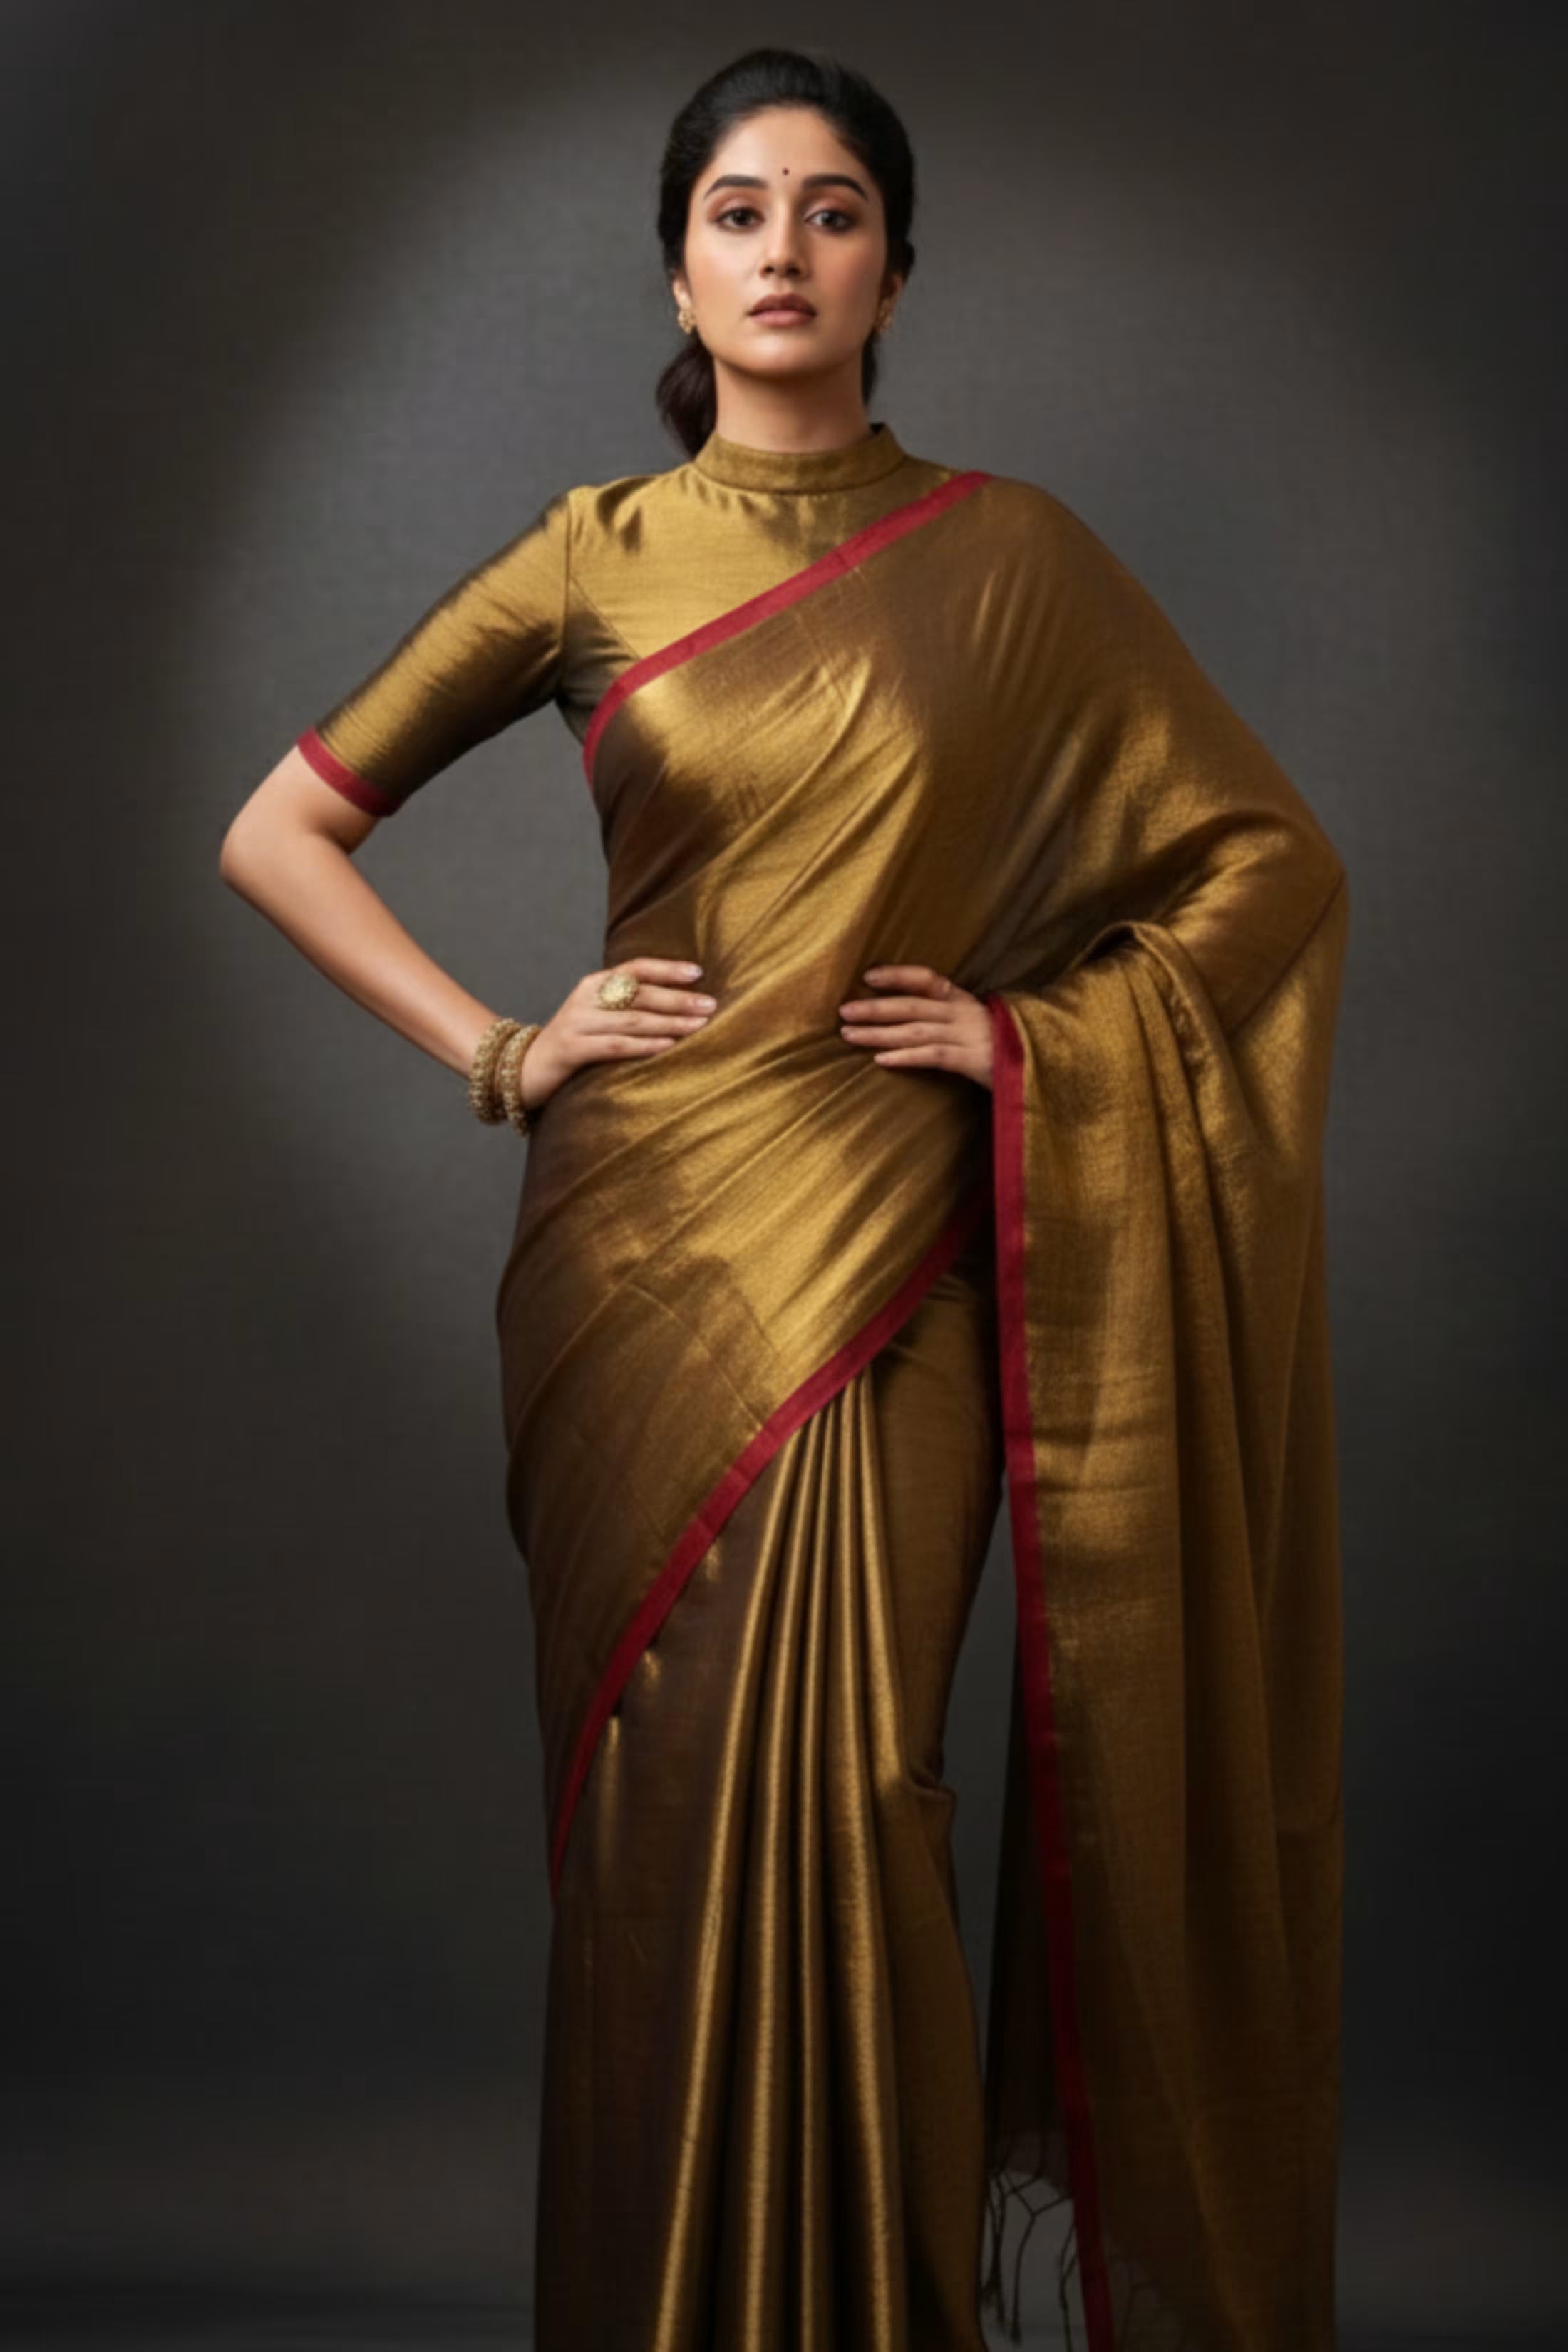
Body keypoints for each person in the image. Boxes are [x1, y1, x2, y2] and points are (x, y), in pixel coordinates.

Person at [219, 44, 1350, 2352]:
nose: (784, 251)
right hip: (637, 1259)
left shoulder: (1013, 556)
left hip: (893, 1260)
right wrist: (505, 1051)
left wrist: (1032, 1039)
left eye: (833, 213)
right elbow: (277, 827)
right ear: (679, 262)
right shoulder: (585, 554)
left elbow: (1269, 864)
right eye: (741, 211)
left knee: (862, 1797)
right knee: (659, 1850)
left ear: (897, 273)